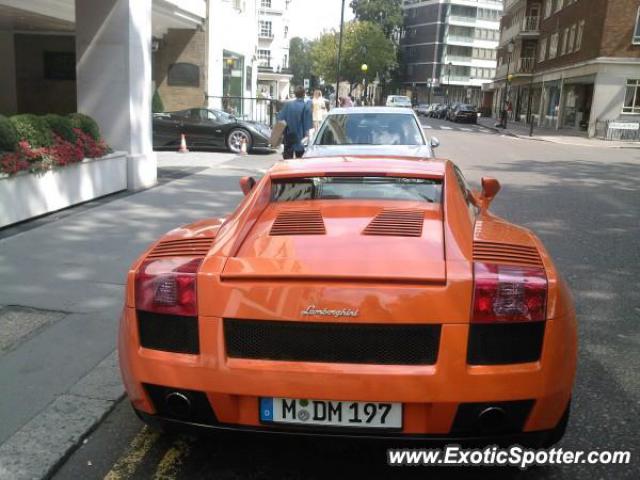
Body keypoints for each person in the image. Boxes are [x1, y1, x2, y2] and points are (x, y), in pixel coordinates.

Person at [277, 85, 312, 159]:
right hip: (300, 138)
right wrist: (308, 137)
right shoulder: (306, 106)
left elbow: (280, 119)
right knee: (300, 161)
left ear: (295, 94)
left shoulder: (288, 105)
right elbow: (307, 125)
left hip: (289, 136)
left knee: (287, 161)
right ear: (304, 94)